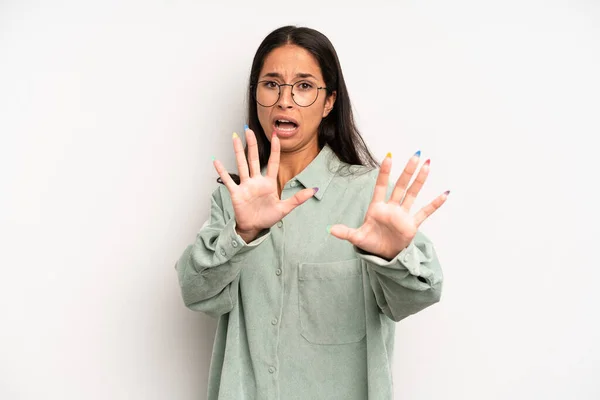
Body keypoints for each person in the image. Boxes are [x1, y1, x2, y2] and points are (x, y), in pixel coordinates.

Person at [175, 25, 449, 400]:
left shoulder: (369, 197)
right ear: (255, 95)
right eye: (271, 84)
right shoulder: (232, 199)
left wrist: (392, 255)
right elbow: (197, 295)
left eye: (304, 86)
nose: (284, 100)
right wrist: (242, 234)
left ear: (329, 102)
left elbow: (417, 297)